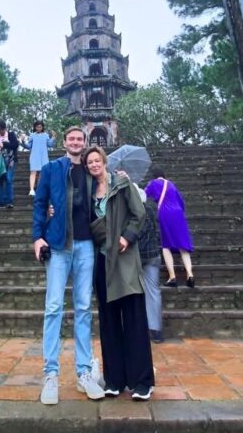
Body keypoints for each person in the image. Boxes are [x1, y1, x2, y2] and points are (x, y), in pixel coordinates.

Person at [31, 127, 105, 405]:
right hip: (59, 244)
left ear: (85, 143)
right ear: (64, 143)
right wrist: (38, 237)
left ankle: (84, 372)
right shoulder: (51, 169)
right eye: (72, 139)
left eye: (80, 139)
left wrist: (120, 179)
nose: (76, 142)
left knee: (84, 307)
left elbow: (107, 190)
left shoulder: (90, 169)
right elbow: (40, 203)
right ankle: (51, 374)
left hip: (86, 245)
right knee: (53, 308)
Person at [86, 146, 155, 400]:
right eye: (89, 162)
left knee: (134, 319)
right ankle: (114, 379)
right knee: (109, 321)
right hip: (102, 260)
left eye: (96, 160)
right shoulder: (89, 192)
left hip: (124, 259)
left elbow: (140, 214)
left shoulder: (122, 184)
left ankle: (142, 382)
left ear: (104, 161)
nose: (93, 164)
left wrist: (127, 236)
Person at [145, 168, 196, 288]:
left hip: (165, 213)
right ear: (164, 175)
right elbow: (181, 202)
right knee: (183, 245)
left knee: (166, 245)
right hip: (178, 213)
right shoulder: (172, 185)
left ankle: (172, 277)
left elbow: (143, 195)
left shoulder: (153, 183)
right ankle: (190, 274)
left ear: (154, 176)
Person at [135, 181, 164, 342]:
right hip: (153, 254)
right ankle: (155, 329)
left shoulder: (133, 212)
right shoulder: (152, 210)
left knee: (135, 291)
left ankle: (139, 327)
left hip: (137, 256)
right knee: (153, 291)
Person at [0, 119, 19, 210]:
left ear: (5, 128)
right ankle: (0, 202)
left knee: (8, 179)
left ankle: (9, 202)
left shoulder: (11, 135)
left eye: (2, 129)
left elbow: (15, 145)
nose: (1, 131)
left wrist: (6, 144)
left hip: (10, 160)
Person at [22, 121, 55, 197]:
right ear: (35, 127)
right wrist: (23, 141)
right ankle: (31, 189)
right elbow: (28, 146)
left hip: (43, 156)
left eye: (40, 127)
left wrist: (53, 138)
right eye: (37, 127)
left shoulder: (46, 135)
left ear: (42, 127)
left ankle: (39, 189)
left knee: (42, 173)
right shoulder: (32, 135)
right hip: (34, 155)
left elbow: (49, 144)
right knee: (33, 172)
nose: (39, 128)